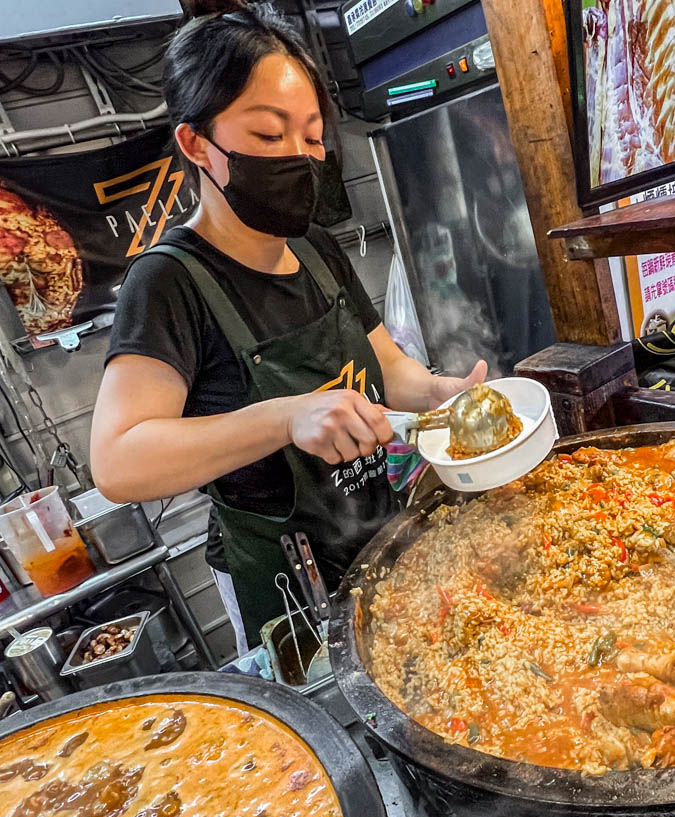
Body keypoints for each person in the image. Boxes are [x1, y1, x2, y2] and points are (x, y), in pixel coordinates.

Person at [90, 0, 485, 652]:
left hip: (375, 539)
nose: (301, 156)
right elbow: (119, 461)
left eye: (310, 134)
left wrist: (440, 393)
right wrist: (286, 417)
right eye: (270, 137)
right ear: (197, 144)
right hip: (288, 584)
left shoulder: (315, 247)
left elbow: (388, 369)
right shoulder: (168, 283)